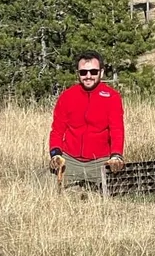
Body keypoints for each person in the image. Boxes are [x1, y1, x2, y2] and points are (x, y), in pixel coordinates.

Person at [48, 51, 125, 186]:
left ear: (101, 73)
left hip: (100, 161)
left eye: (93, 72)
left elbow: (117, 130)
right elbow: (57, 131)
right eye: (83, 72)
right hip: (69, 159)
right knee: (43, 185)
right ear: (78, 73)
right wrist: (56, 154)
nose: (88, 76)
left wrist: (116, 156)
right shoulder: (67, 97)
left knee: (118, 189)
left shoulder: (112, 97)